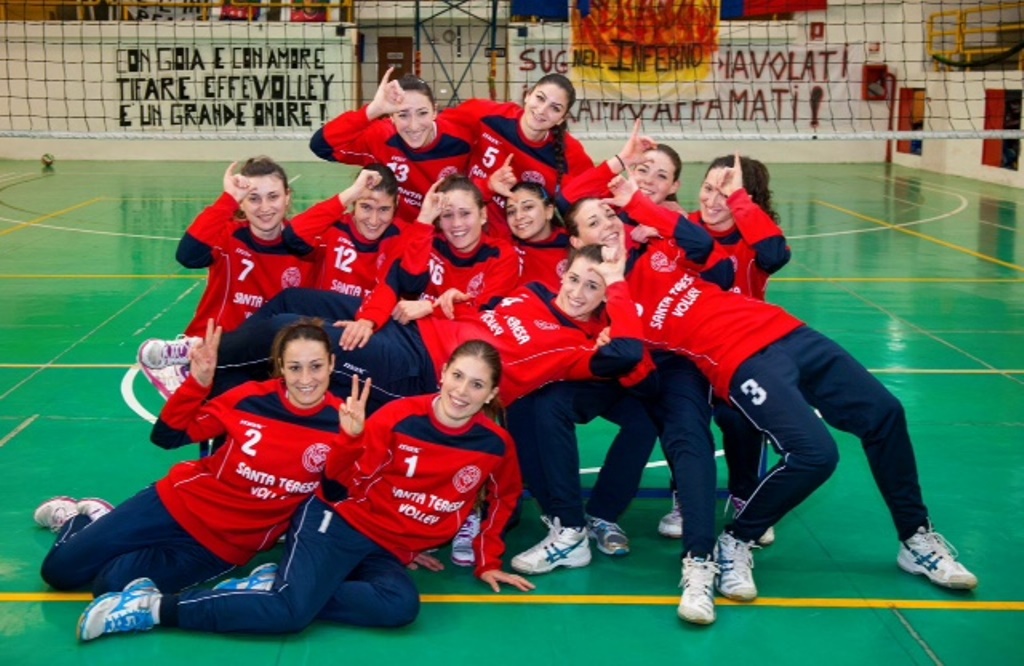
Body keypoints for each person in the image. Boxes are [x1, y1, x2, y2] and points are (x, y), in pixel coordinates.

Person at [602, 173, 978, 625]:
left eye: (611, 219)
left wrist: (639, 204)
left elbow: (705, 247)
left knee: (885, 413)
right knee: (816, 454)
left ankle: (916, 539)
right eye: (596, 226)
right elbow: (630, 363)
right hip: (739, 363)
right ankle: (737, 540)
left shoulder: (663, 255)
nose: (608, 230)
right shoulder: (613, 307)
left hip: (787, 331)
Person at [77, 340, 535, 641]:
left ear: (492, 393)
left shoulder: (495, 445)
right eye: (457, 376)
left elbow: (505, 497)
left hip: (387, 549)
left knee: (400, 606)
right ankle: (151, 608)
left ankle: (276, 585)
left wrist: (486, 560)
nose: (462, 391)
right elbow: (338, 486)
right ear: (443, 374)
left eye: (477, 384)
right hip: (336, 524)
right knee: (289, 613)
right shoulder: (397, 420)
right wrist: (353, 441)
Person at [34, 319, 351, 596]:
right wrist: (197, 383)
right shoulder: (249, 399)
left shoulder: (346, 422)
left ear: (332, 364)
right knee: (59, 572)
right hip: (176, 504)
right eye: (295, 367)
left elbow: (341, 496)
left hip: (219, 547)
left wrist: (351, 442)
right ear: (280, 366)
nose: (306, 379)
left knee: (111, 584)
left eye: (316, 366)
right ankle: (79, 520)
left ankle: (105, 528)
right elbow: (167, 437)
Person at [654, 153, 790, 546]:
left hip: (740, 353)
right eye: (709, 189)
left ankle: (746, 497)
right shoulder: (683, 227)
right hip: (689, 354)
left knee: (738, 418)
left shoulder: (758, 238)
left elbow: (776, 257)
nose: (713, 201)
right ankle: (684, 496)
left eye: (726, 193)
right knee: (679, 407)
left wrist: (741, 207)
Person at [136, 157, 314, 398]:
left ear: (288, 197)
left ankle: (193, 355)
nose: (264, 207)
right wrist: (227, 200)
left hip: (270, 360)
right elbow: (188, 256)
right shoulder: (229, 235)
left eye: (273, 196)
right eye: (253, 198)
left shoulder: (306, 245)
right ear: (242, 202)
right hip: (217, 358)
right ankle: (189, 355)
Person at [442, 73, 595, 239]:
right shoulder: (486, 114)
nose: (542, 111)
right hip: (465, 229)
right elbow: (434, 129)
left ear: (561, 119)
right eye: (540, 98)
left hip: (520, 243)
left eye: (555, 108)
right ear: (528, 96)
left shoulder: (571, 154)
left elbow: (595, 196)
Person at [309, 67, 473, 220]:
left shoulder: (462, 139)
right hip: (393, 235)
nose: (414, 125)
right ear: (391, 117)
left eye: (422, 113)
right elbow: (321, 146)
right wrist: (373, 110)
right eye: (403, 115)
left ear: (435, 111)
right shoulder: (381, 136)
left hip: (443, 234)